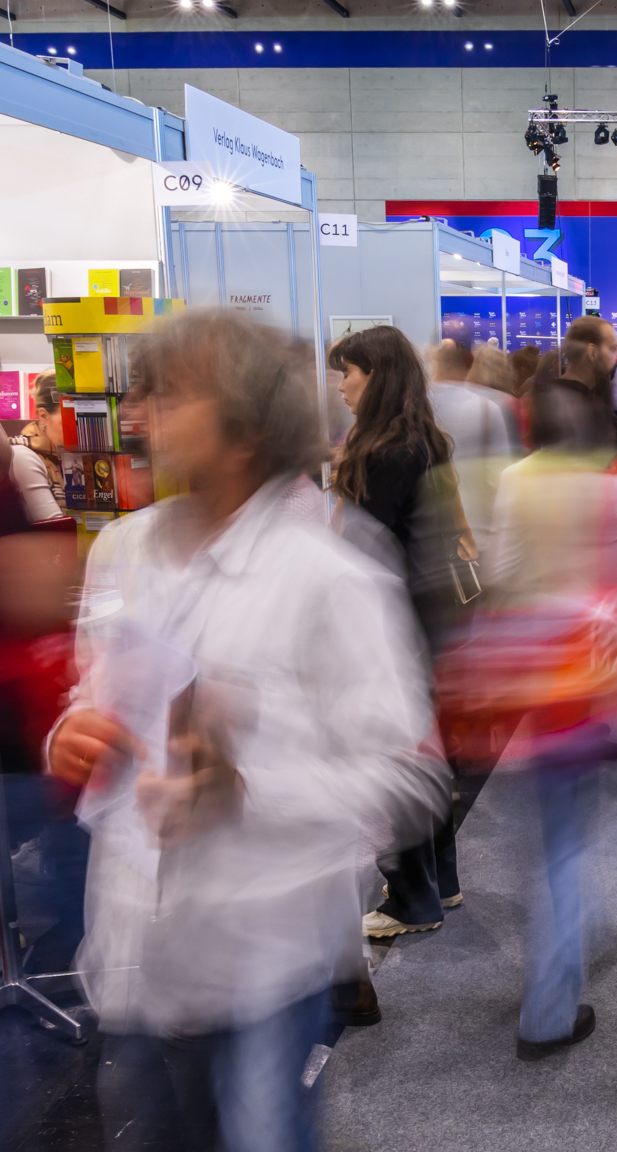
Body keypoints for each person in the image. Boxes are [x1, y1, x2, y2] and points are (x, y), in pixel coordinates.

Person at [51, 310, 448, 1150]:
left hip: (259, 970)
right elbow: (94, 693)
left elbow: (413, 778)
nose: (139, 415)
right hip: (133, 964)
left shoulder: (328, 574)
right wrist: (72, 735)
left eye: (171, 394)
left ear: (241, 422)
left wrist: (247, 788)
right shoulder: (122, 553)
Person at [486, 317, 617, 1061]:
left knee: (549, 831)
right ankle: (550, 1008)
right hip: (594, 677)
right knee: (569, 837)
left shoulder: (513, 479)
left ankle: (586, 934)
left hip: (525, 676)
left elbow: (499, 576)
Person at [330, 326, 471, 941]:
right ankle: (438, 879)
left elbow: (362, 550)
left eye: (348, 373)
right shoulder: (421, 441)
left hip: (394, 623)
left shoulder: (385, 452)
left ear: (376, 376)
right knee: (423, 753)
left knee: (398, 760)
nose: (340, 387)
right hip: (427, 618)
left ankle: (412, 897)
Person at [429, 336, 515, 561]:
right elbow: (501, 475)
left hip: (430, 527)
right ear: (468, 365)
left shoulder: (415, 405)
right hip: (477, 525)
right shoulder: (489, 407)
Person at [11, 372, 64, 510]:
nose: (77, 431)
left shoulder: (66, 455)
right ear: (43, 415)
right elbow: (51, 525)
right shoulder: (23, 456)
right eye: (66, 423)